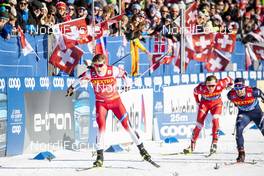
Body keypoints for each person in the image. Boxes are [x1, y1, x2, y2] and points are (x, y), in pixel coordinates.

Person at [66, 54, 152, 167]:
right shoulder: (90, 73)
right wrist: (71, 88)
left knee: (128, 127)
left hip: (115, 102)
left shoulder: (113, 70)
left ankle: (142, 151)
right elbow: (79, 80)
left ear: (105, 63)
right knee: (101, 128)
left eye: (100, 65)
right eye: (95, 66)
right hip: (101, 104)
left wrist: (128, 84)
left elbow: (124, 74)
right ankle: (99, 157)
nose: (98, 68)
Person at [183, 75, 233, 154]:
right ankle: (192, 145)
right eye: (208, 86)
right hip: (205, 104)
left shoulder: (221, 84)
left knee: (215, 118)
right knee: (199, 125)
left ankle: (214, 143)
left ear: (216, 84)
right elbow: (194, 92)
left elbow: (229, 79)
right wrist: (197, 102)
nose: (210, 88)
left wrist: (230, 86)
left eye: (213, 86)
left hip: (216, 103)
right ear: (205, 84)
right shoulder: (201, 88)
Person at [227, 78, 264, 162]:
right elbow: (235, 102)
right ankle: (241, 154)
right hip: (244, 114)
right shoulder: (231, 95)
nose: (239, 90)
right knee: (239, 128)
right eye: (236, 88)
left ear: (245, 86)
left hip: (256, 113)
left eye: (241, 87)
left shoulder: (253, 92)